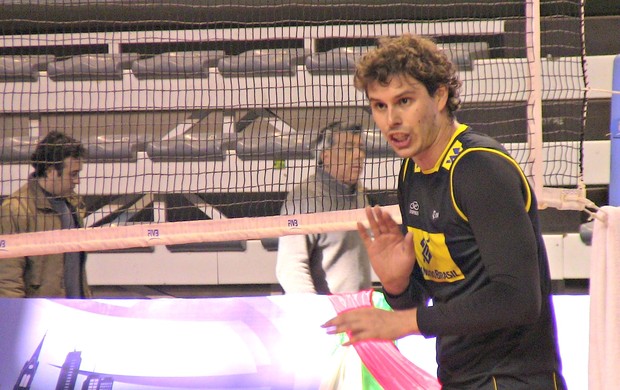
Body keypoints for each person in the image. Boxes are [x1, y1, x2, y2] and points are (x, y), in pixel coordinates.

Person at [322, 34, 567, 389]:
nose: (391, 120)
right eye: (379, 106)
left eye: (404, 101)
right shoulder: (412, 172)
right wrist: (396, 283)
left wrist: (404, 322)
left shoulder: (479, 168)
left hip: (513, 377)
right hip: (459, 375)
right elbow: (432, 293)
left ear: (439, 96)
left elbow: (518, 299)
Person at [276, 122, 372, 294]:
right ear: (326, 156)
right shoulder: (303, 199)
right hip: (327, 317)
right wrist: (316, 313)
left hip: (359, 313)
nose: (359, 155)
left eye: (361, 148)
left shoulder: (359, 193)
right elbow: (290, 267)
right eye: (349, 149)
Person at [0, 131, 91, 298]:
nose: (77, 180)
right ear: (50, 171)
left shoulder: (73, 204)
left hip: (76, 311)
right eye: (73, 174)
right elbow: (8, 281)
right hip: (40, 316)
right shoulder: (15, 210)